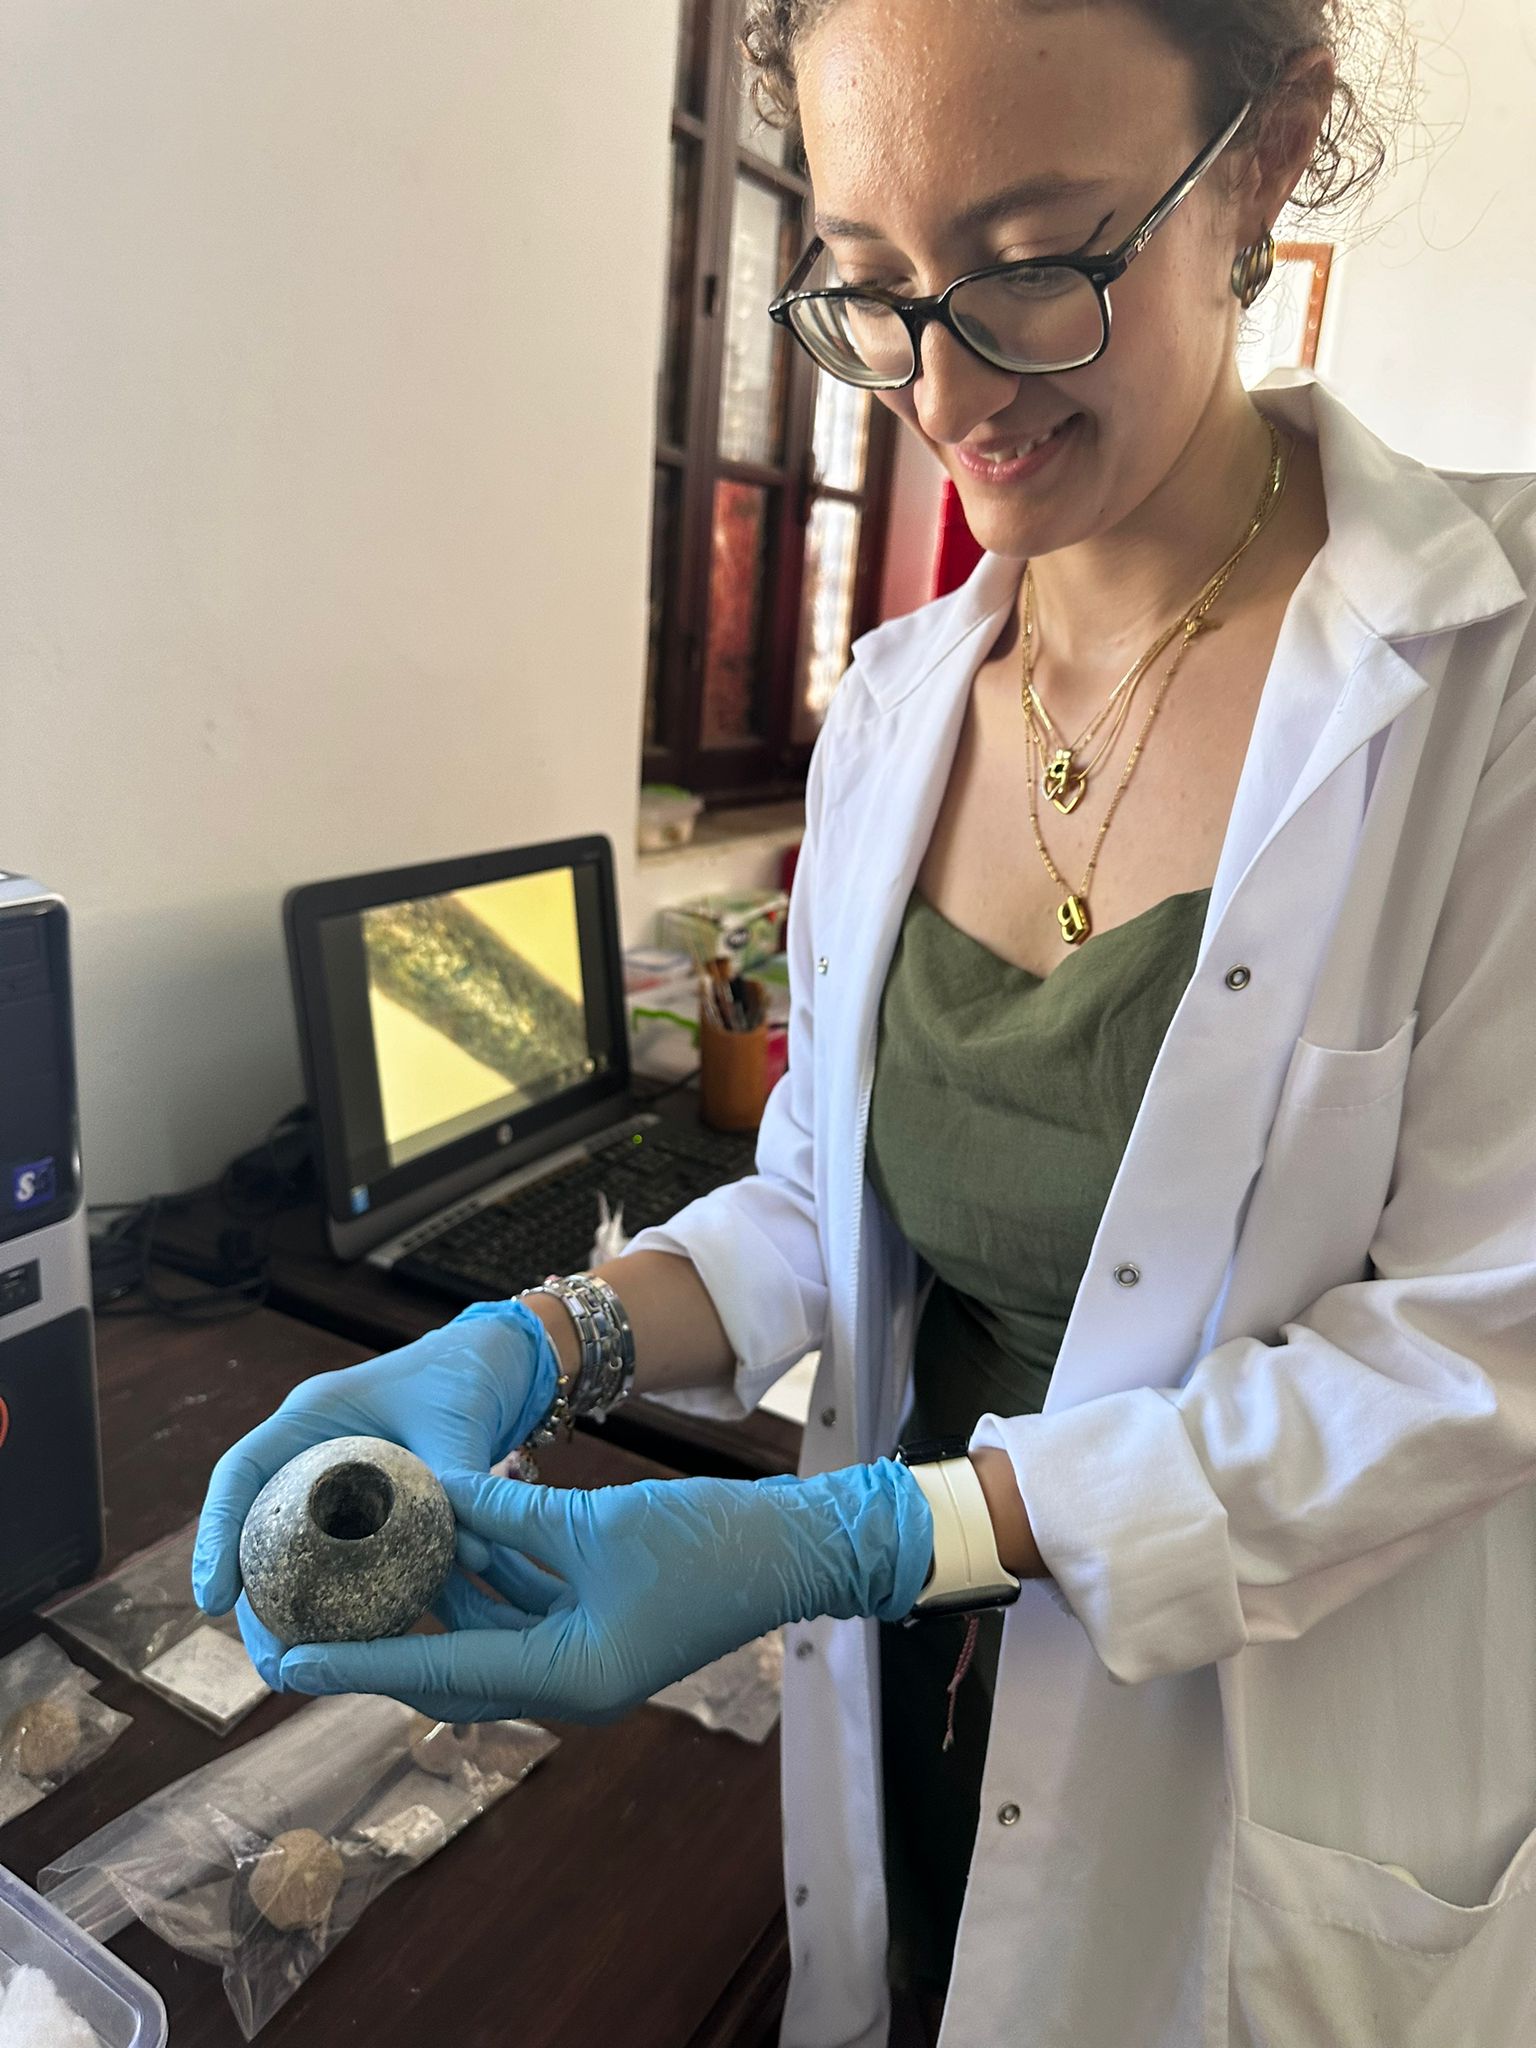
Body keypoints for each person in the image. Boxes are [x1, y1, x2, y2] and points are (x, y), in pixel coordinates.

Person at [193, 2, 1536, 2041]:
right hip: (920, 1678)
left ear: (1263, 154)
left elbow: (1473, 1350)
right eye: (873, 289)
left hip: (1259, 1764)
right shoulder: (901, 703)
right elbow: (823, 1199)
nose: (948, 388)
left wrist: (870, 1530)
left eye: (1035, 263)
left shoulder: (1488, 676)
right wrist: (539, 1339)